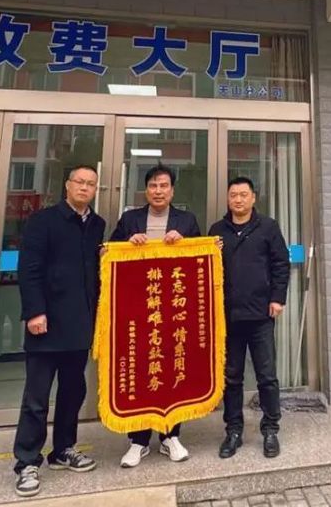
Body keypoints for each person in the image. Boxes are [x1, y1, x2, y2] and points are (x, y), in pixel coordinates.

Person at [11, 164, 106, 499]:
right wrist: (34, 312)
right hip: (46, 323)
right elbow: (29, 269)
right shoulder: (43, 221)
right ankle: (27, 462)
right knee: (37, 398)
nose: (84, 187)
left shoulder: (97, 225)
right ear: (67, 185)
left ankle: (63, 449)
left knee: (72, 392)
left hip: (80, 325)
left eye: (91, 183)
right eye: (79, 182)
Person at [109, 164, 201, 468]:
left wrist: (184, 243)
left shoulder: (187, 221)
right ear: (145, 190)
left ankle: (170, 436)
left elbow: (201, 263)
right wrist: (127, 244)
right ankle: (138, 441)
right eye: (153, 185)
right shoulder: (130, 219)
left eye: (163, 186)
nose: (158, 191)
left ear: (172, 191)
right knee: (141, 370)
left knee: (172, 368)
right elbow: (106, 252)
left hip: (173, 311)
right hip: (138, 309)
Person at [209, 176, 290, 460]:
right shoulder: (217, 231)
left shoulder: (268, 227)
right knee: (232, 378)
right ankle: (233, 431)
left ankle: (270, 429)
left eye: (244, 194)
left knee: (267, 376)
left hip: (260, 316)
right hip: (228, 317)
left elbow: (281, 263)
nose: (238, 199)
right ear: (228, 198)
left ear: (253, 198)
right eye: (233, 195)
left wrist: (277, 298)